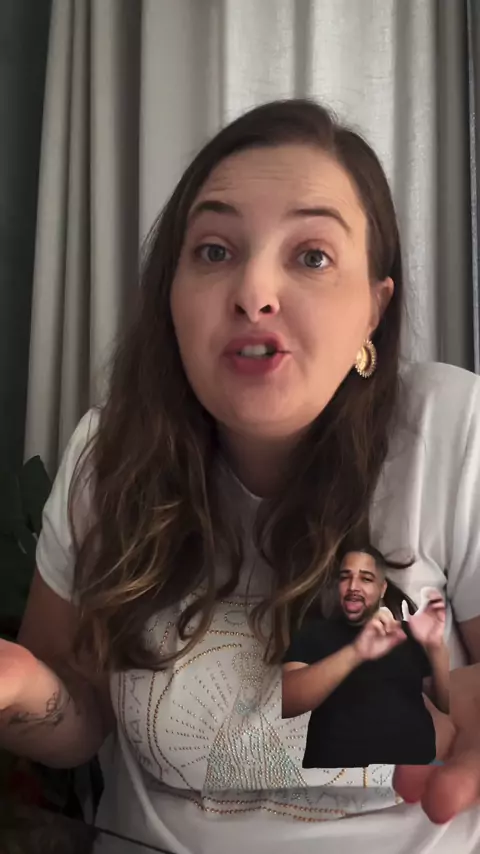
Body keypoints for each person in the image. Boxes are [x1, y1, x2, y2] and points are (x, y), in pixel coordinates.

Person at [0, 99, 479, 854]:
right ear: (172, 298)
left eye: (312, 256)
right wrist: (22, 689)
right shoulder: (108, 456)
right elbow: (80, 722)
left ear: (373, 312)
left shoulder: (452, 430)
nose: (254, 291)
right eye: (215, 250)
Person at [282, 546, 450, 768]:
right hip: (337, 775)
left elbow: (445, 703)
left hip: (413, 771)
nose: (353, 587)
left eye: (366, 579)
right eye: (345, 577)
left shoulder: (410, 633)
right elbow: (287, 702)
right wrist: (356, 652)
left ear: (382, 588)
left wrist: (436, 645)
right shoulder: (313, 632)